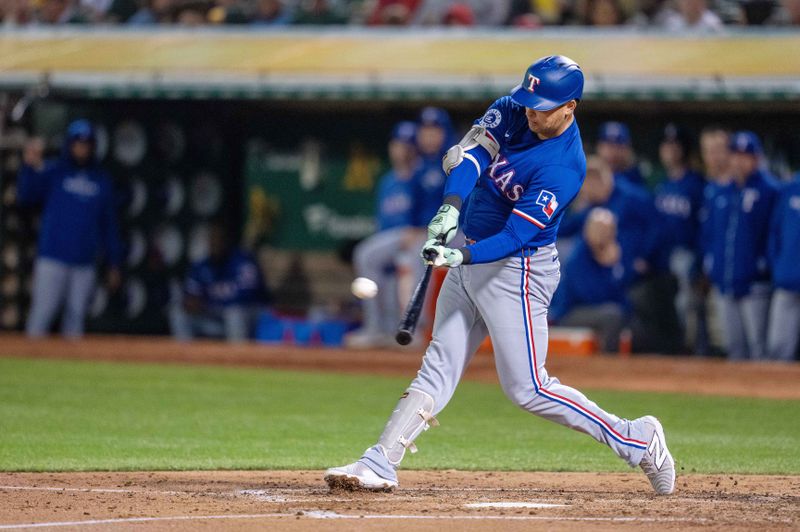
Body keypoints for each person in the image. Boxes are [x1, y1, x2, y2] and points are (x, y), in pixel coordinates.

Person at [325, 56, 675, 496]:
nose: (531, 112)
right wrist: (451, 206)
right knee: (439, 363)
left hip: (517, 271)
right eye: (529, 101)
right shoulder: (514, 106)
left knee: (528, 389)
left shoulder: (565, 168)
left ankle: (637, 439)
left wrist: (459, 256)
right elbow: (472, 154)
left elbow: (514, 236)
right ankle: (381, 460)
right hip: (471, 249)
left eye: (543, 106)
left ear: (571, 107)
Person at [17, 119, 122, 338]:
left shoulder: (101, 180)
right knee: (43, 313)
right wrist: (29, 165)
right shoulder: (54, 171)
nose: (81, 147)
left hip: (84, 261)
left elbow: (109, 225)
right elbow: (26, 196)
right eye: (77, 142)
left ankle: (69, 369)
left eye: (86, 143)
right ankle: (32, 364)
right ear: (69, 144)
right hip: (53, 257)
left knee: (75, 320)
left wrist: (114, 263)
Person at [345, 121, 427, 348]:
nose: (401, 150)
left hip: (415, 238)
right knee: (375, 267)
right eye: (398, 144)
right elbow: (382, 223)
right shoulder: (388, 181)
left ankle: (408, 332)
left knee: (368, 254)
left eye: (407, 145)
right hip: (390, 241)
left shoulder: (422, 176)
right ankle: (376, 330)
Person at [702, 131, 778, 360]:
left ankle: (765, 394)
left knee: (758, 348)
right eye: (735, 154)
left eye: (746, 155)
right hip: (726, 280)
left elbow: (774, 233)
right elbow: (711, 234)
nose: (739, 160)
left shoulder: (770, 190)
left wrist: (764, 264)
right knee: (733, 347)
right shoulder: (723, 191)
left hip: (756, 284)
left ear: (757, 158)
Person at [169, 221, 269, 342]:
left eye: (219, 240)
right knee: (177, 313)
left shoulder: (243, 262)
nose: (214, 244)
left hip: (250, 316)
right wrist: (192, 302)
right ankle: (186, 357)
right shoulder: (201, 266)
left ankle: (238, 357)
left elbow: (247, 297)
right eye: (212, 240)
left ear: (227, 242)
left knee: (233, 313)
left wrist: (208, 303)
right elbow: (191, 295)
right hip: (215, 315)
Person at [550, 207, 632, 352]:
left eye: (608, 229)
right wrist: (608, 268)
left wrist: (614, 266)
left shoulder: (616, 254)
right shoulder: (577, 257)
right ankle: (608, 363)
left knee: (630, 315)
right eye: (598, 229)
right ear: (588, 230)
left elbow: (624, 292)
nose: (603, 234)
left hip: (600, 309)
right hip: (570, 312)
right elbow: (589, 295)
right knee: (612, 316)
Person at [653, 124, 705, 349]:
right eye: (667, 144)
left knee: (688, 309)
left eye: (675, 145)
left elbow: (702, 228)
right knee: (670, 310)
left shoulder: (696, 184)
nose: (670, 150)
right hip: (663, 257)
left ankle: (695, 354)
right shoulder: (662, 183)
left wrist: (700, 262)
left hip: (686, 255)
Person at [766, 174, 800, 361]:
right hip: (788, 280)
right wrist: (778, 268)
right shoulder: (790, 188)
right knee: (779, 349)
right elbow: (774, 231)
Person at [595, 121, 646, 187]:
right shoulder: (586, 173)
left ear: (628, 149)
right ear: (599, 147)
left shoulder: (636, 175)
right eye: (609, 145)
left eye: (619, 145)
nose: (613, 151)